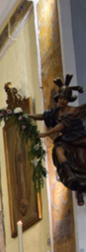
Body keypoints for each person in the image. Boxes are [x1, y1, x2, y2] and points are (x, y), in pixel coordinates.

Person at [28, 75, 86, 205]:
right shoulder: (56, 111)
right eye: (60, 98)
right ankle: (70, 174)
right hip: (65, 140)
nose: (62, 101)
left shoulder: (74, 111)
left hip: (78, 137)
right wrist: (27, 115)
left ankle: (80, 189)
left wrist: (45, 133)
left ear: (68, 100)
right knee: (58, 151)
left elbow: (61, 126)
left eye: (65, 99)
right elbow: (43, 116)